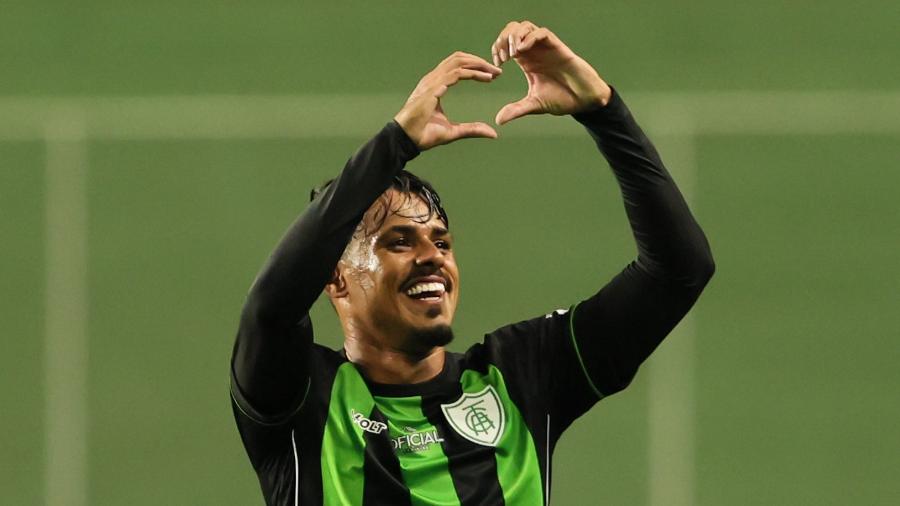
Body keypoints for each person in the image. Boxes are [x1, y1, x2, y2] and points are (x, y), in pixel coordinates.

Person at [230, 20, 714, 506]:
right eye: (399, 242)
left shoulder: (522, 377)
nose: (431, 258)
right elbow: (271, 310)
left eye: (442, 243)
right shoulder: (301, 399)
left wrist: (603, 111)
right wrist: (396, 142)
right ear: (335, 278)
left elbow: (679, 269)